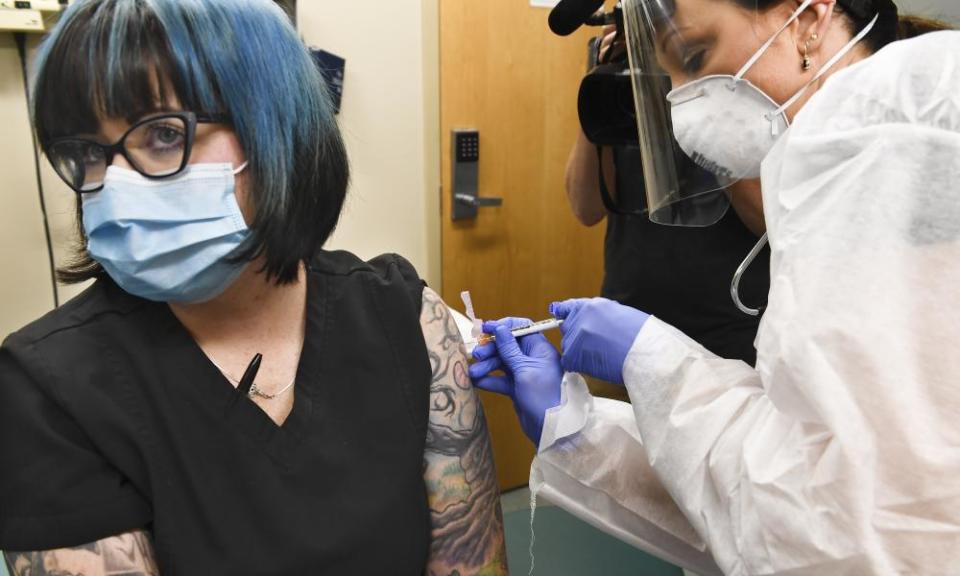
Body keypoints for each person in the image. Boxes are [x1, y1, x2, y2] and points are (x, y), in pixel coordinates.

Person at [0, 1, 507, 574]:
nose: (115, 186)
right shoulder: (49, 387)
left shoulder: (405, 316)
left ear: (275, 130)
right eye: (91, 153)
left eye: (165, 134)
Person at [472, 0, 958, 573]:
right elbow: (784, 486)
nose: (682, 111)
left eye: (696, 56)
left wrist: (654, 361)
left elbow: (838, 536)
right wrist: (576, 430)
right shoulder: (844, 162)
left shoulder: (914, 152)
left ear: (810, 16)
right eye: (669, 77)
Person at [566, 29, 769, 366]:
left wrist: (701, 85)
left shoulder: (747, 62)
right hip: (627, 328)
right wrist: (600, 86)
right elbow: (585, 206)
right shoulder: (624, 63)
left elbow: (767, 220)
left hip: (728, 340)